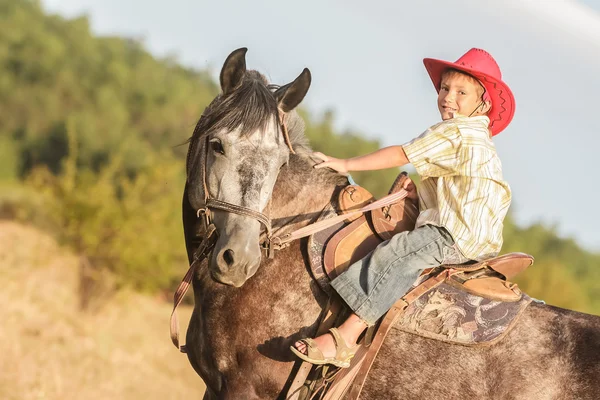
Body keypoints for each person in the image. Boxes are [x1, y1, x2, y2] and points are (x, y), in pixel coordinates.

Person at [291, 48, 515, 368]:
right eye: (444, 88)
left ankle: (346, 338)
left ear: (484, 102)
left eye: (461, 92)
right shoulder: (479, 140)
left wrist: (345, 163)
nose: (448, 97)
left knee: (400, 253)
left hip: (455, 234)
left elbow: (401, 154)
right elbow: (459, 192)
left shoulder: (458, 131)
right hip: (479, 240)